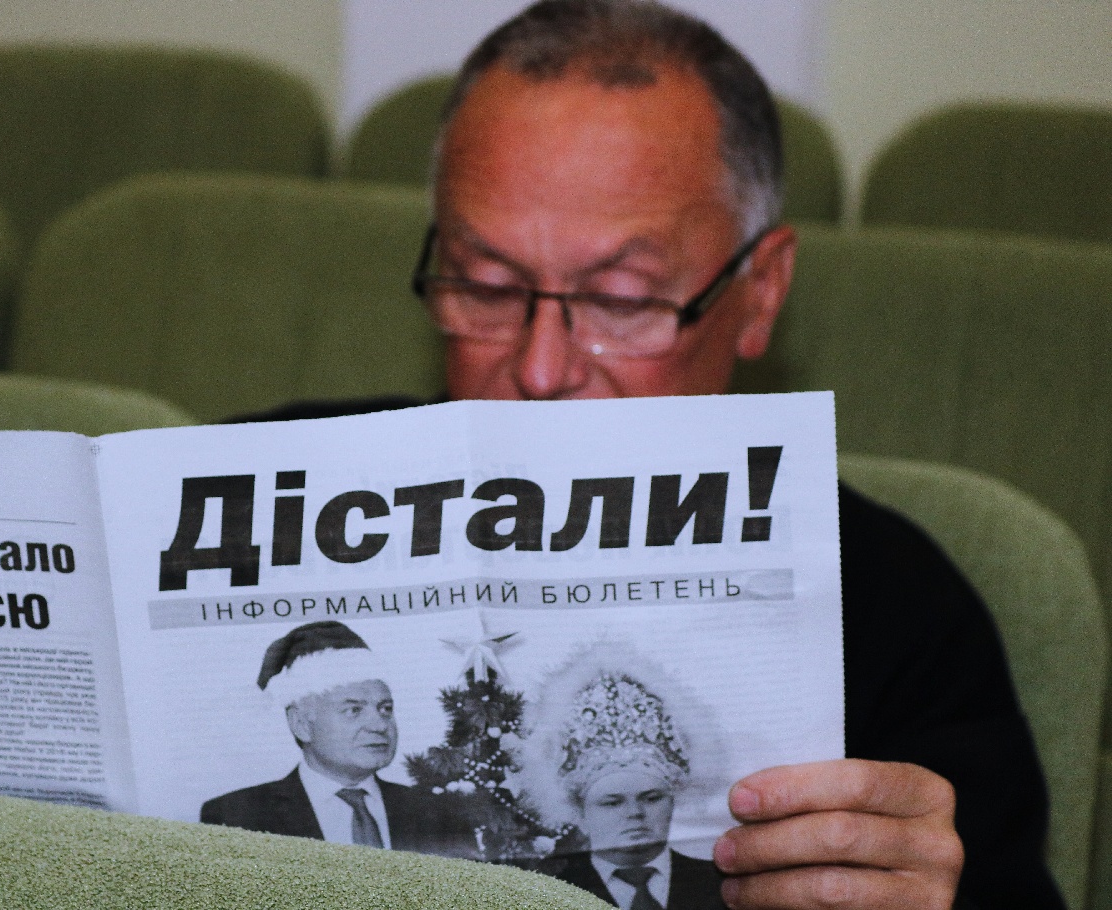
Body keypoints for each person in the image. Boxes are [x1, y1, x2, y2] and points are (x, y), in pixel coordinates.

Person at [239, 2, 1062, 908]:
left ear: (759, 292)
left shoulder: (892, 608)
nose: (540, 369)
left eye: (622, 300)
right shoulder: (271, 483)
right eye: (485, 284)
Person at [199, 621, 470, 857]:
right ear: (302, 724)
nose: (380, 725)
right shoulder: (236, 818)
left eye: (385, 709)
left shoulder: (440, 813)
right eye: (353, 710)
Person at [520, 644, 725, 910]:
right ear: (580, 813)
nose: (635, 813)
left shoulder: (723, 884)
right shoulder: (544, 895)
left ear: (673, 802)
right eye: (612, 802)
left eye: (651, 798)